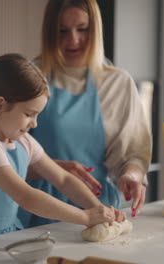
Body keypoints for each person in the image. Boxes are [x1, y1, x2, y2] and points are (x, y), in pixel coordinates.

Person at [0, 53, 126, 245]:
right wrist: (86, 217)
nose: (34, 124)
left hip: (8, 236)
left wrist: (101, 210)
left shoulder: (23, 141)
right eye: (29, 114)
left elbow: (64, 179)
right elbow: (26, 197)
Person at [18, 0, 152, 228]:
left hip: (99, 209)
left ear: (96, 29)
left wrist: (132, 175)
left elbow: (132, 154)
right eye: (62, 31)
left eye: (83, 29)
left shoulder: (117, 83)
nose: (73, 40)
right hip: (38, 209)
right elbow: (8, 157)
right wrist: (49, 169)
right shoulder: (28, 77)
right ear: (49, 31)